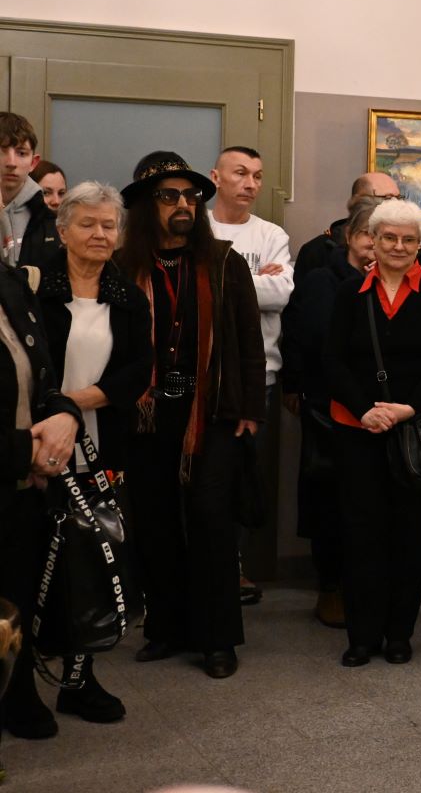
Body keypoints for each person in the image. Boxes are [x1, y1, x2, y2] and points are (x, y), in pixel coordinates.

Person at [117, 151, 265, 680]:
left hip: (213, 411)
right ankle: (166, 628)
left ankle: (217, 639)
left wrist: (250, 408)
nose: (183, 204)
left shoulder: (223, 262)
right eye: (169, 196)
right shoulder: (124, 267)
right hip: (146, 414)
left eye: (190, 195)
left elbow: (248, 339)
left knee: (210, 520)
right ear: (146, 205)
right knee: (154, 521)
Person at [29, 182, 152, 724]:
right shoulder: (33, 288)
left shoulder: (127, 296)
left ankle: (79, 680)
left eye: (109, 225)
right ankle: (19, 685)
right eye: (87, 224)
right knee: (32, 564)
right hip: (36, 445)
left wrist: (71, 405)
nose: (100, 233)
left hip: (101, 448)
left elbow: (137, 371)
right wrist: (50, 415)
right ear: (63, 230)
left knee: (89, 566)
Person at [322, 198, 421, 667]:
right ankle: (362, 636)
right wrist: (366, 410)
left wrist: (407, 408)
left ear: (419, 244)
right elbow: (332, 360)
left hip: (415, 429)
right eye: (389, 237)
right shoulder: (349, 292)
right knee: (361, 534)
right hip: (357, 428)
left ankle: (399, 634)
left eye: (409, 239)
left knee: (407, 534)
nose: (399, 246)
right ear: (372, 241)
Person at [281, 196, 383, 629]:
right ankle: (331, 587)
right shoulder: (323, 280)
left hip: (384, 412)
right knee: (329, 502)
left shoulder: (400, 280)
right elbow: (304, 337)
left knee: (374, 505)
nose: (375, 244)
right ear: (350, 237)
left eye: (384, 236)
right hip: (330, 409)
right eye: (368, 235)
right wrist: (293, 385)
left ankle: (371, 587)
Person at [0, 245, 83, 746]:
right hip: (15, 462)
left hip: (21, 487)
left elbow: (43, 376)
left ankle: (17, 691)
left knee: (17, 596)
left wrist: (65, 416)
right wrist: (23, 450)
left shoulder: (12, 284)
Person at [208, 145, 294, 605]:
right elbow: (191, 291)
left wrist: (223, 281)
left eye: (258, 176)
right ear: (216, 177)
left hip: (258, 377)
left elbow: (280, 294)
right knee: (203, 478)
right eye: (240, 173)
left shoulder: (271, 234)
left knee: (244, 475)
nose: (251, 183)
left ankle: (235, 567)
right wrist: (252, 281)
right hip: (202, 375)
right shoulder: (198, 227)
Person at [293, 172, 417, 278]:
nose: (396, 205)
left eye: (399, 198)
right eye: (387, 199)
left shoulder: (409, 250)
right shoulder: (317, 251)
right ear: (359, 202)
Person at [0, 113, 59, 268]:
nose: (11, 163)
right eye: (2, 151)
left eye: (21, 153)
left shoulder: (49, 221)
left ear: (33, 162)